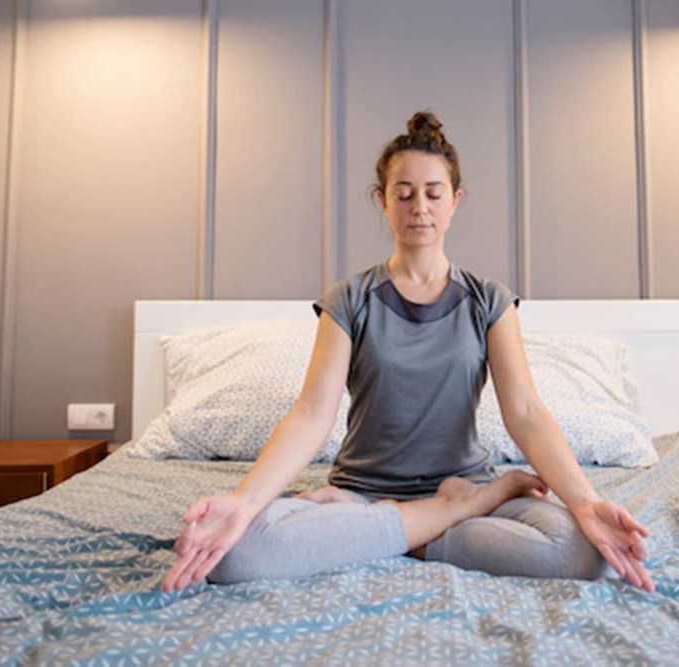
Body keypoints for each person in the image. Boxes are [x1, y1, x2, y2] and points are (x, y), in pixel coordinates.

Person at [162, 111, 654, 594]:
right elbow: (312, 414)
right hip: (362, 495)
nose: (420, 206)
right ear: (383, 201)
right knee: (233, 554)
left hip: (463, 486)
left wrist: (587, 504)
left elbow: (525, 412)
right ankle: (442, 517)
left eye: (433, 193)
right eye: (404, 193)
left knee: (589, 554)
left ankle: (402, 530)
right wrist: (243, 504)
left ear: (455, 201)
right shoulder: (349, 300)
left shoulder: (490, 301)